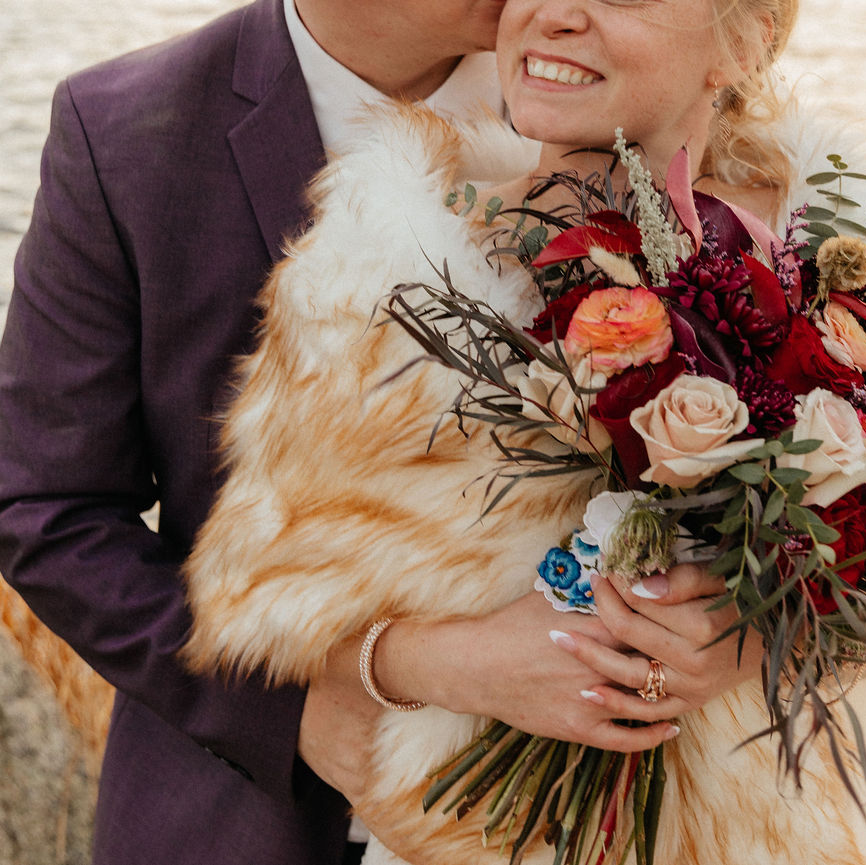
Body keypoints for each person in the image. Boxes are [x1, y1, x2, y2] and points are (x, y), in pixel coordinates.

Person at [0, 1, 758, 864]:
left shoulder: (600, 80)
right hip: (252, 818)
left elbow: (861, 488)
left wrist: (736, 629)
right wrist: (310, 699)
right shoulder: (126, 130)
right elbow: (47, 506)